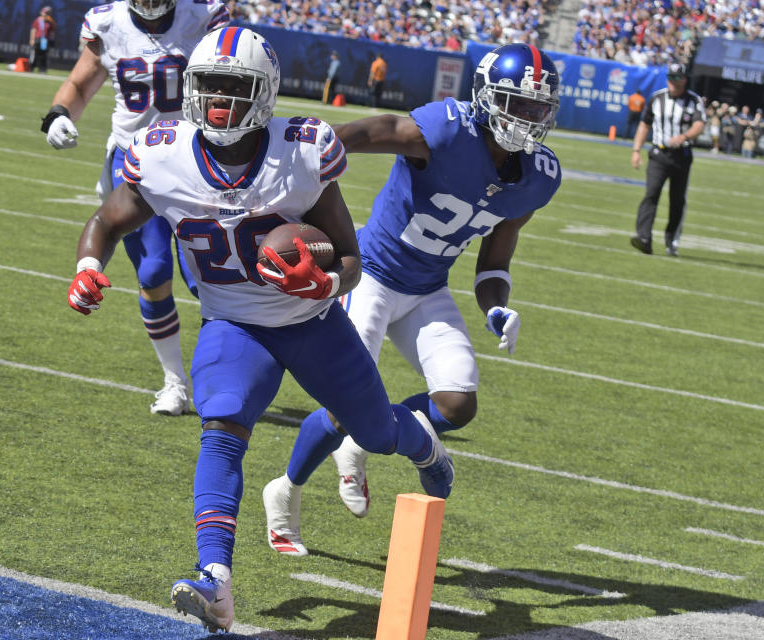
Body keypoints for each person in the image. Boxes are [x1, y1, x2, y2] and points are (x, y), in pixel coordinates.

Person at [65, 27, 454, 632]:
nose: (219, 100)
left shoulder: (301, 151)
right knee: (220, 425)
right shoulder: (163, 150)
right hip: (232, 321)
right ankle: (215, 580)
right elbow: (108, 219)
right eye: (208, 86)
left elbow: (350, 259)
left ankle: (423, 442)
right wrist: (90, 266)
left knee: (377, 434)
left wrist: (323, 284)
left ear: (265, 93)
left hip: (312, 321)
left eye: (234, 87)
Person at [262, 43, 561, 556]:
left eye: (536, 109)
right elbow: (377, 132)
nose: (525, 119)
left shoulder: (538, 176)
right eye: (515, 103)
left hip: (428, 288)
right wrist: (307, 149)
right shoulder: (448, 129)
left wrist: (496, 304)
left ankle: (358, 444)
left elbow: (494, 259)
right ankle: (285, 492)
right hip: (373, 276)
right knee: (342, 405)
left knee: (457, 402)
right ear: (487, 97)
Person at [41, 0, 229, 416]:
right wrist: (57, 114)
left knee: (211, 280)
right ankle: (174, 382)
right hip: (135, 159)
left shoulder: (202, 15)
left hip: (196, 160)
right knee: (153, 271)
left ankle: (222, 379)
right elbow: (80, 83)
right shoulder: (107, 22)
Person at [630, 61, 705, 257]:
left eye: (677, 78)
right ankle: (644, 238)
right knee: (651, 193)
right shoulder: (657, 98)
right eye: (670, 78)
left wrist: (684, 136)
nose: (673, 82)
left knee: (677, 200)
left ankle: (671, 241)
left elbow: (699, 125)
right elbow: (644, 125)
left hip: (682, 155)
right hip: (659, 154)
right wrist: (636, 150)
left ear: (684, 80)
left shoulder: (694, 101)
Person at [28, 5, 55, 73]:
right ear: (42, 13)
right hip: (37, 39)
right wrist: (32, 39)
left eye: (48, 13)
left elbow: (52, 32)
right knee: (35, 54)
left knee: (43, 55)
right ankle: (31, 68)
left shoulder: (50, 22)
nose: (47, 14)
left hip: (45, 41)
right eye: (46, 13)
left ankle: (42, 69)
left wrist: (52, 40)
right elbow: (33, 30)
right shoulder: (37, 20)